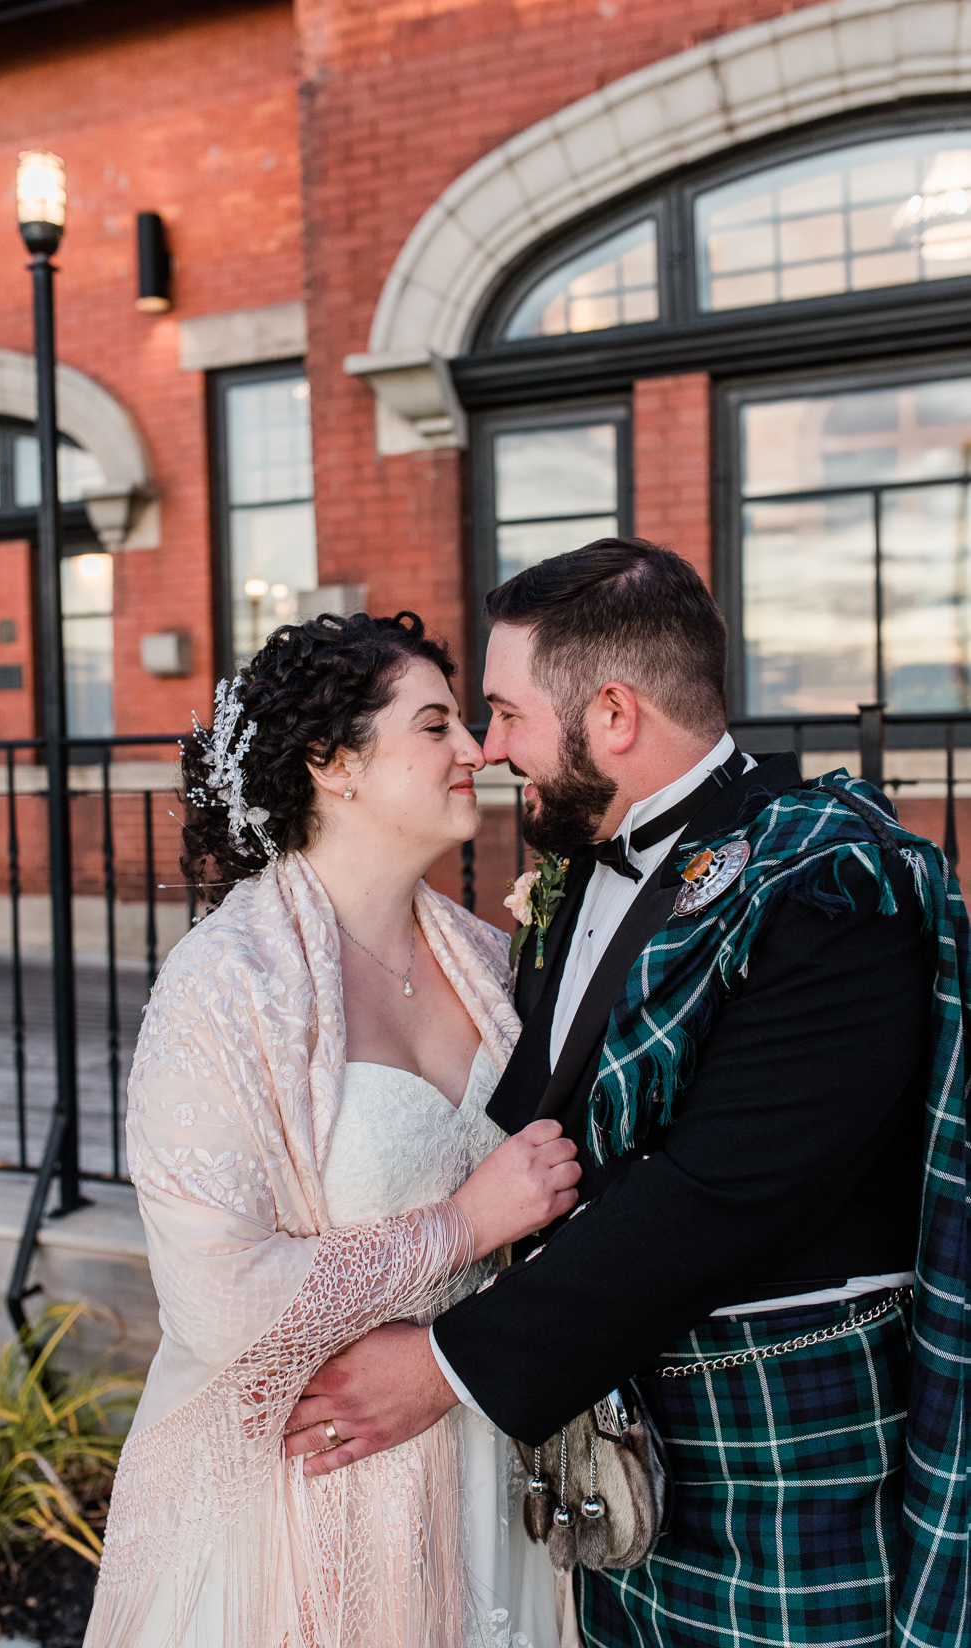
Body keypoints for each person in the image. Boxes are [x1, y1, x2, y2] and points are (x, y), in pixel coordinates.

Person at [286, 541, 970, 1648]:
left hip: (781, 1461)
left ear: (611, 713)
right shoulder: (569, 869)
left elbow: (722, 1195)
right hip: (607, 1464)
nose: (487, 747)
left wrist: (446, 1363)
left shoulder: (826, 881)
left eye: (505, 713)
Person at [84, 610, 578, 1648]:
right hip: (299, 1481)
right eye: (436, 725)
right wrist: (458, 1225)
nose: (477, 750)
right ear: (332, 764)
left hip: (477, 1447)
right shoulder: (226, 988)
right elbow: (217, 1296)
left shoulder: (493, 963)